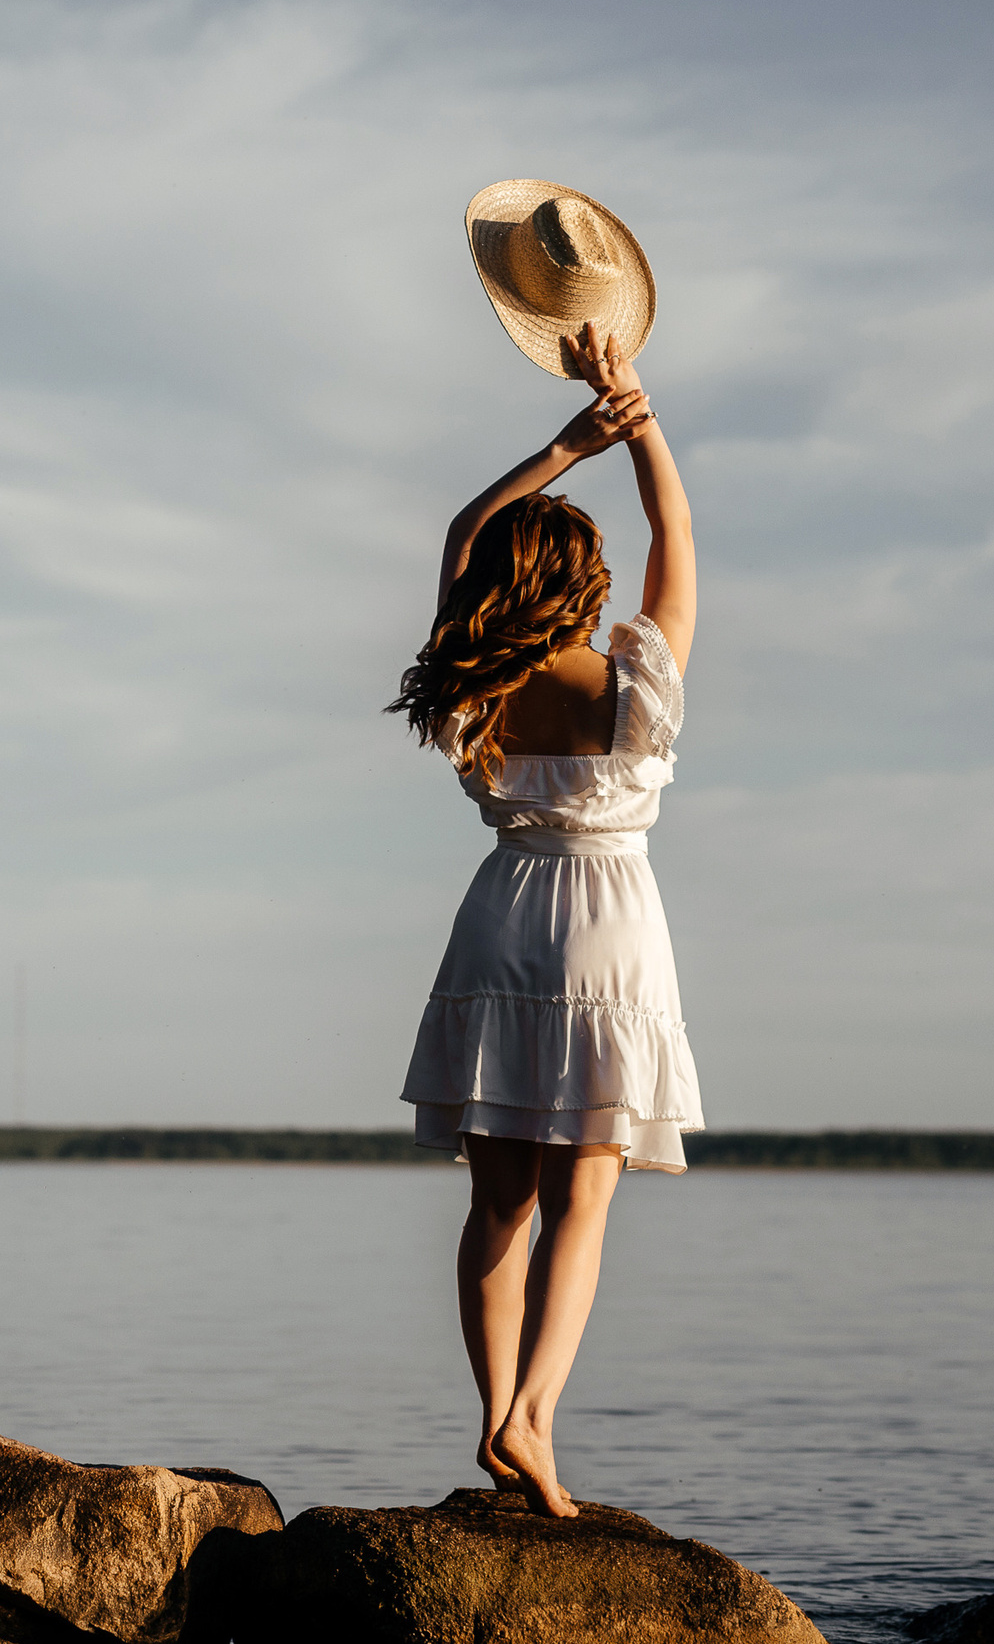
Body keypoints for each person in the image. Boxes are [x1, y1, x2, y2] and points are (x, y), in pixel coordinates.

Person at [386, 320, 700, 1519]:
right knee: (588, 1189)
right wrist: (634, 414)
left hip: (502, 918)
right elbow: (676, 532)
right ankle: (534, 1416)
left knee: (498, 1195)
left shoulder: (472, 681)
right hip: (608, 920)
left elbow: (466, 532)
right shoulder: (634, 681)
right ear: (581, 590)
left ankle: (491, 1418)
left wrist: (562, 444)